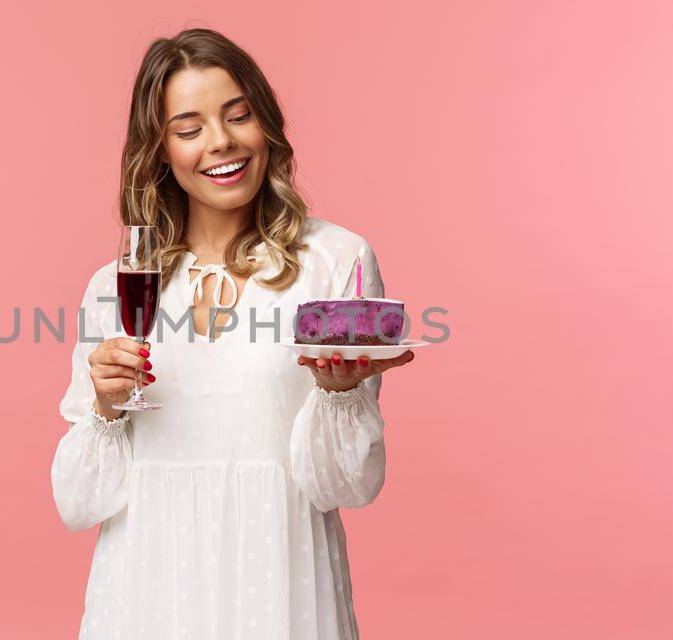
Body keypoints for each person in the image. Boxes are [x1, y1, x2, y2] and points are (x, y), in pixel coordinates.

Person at [50, 28, 416, 640]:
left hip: (281, 576)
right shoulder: (116, 284)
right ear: (160, 150)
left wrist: (339, 394)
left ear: (265, 123)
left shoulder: (335, 258)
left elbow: (344, 487)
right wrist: (107, 409)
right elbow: (79, 504)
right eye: (189, 130)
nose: (221, 142)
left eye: (237, 116)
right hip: (146, 587)